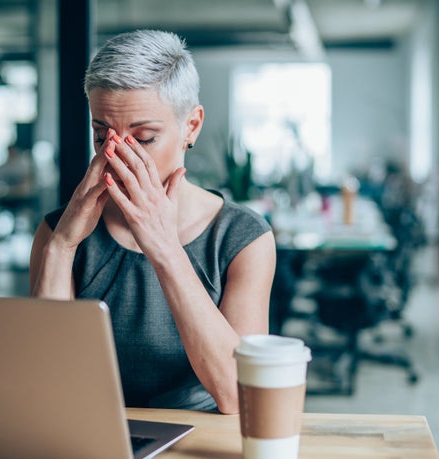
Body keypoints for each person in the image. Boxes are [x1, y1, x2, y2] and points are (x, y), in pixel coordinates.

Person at [29, 30, 276, 414]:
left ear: (190, 127)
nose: (118, 156)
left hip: (201, 439)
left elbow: (237, 395)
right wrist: (61, 248)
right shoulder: (59, 231)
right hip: (93, 432)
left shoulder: (243, 238)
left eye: (143, 138)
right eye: (101, 136)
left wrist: (163, 246)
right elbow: (47, 382)